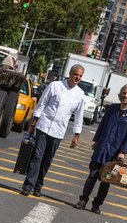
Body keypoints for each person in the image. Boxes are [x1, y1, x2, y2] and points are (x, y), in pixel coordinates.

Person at [21, 65, 87, 197]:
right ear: (70, 73)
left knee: (47, 160)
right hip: (44, 125)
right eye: (75, 74)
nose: (77, 77)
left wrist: (76, 135)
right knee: (37, 156)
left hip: (58, 131)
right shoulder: (55, 85)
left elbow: (79, 116)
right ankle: (28, 186)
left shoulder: (80, 94)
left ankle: (38, 186)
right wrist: (33, 122)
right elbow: (42, 104)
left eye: (80, 76)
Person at [75, 84, 127, 214]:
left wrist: (123, 152)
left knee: (106, 180)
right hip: (102, 147)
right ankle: (83, 200)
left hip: (115, 153)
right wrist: (97, 140)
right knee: (92, 175)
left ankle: (97, 204)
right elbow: (103, 124)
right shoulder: (112, 109)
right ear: (120, 94)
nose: (125, 96)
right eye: (124, 93)